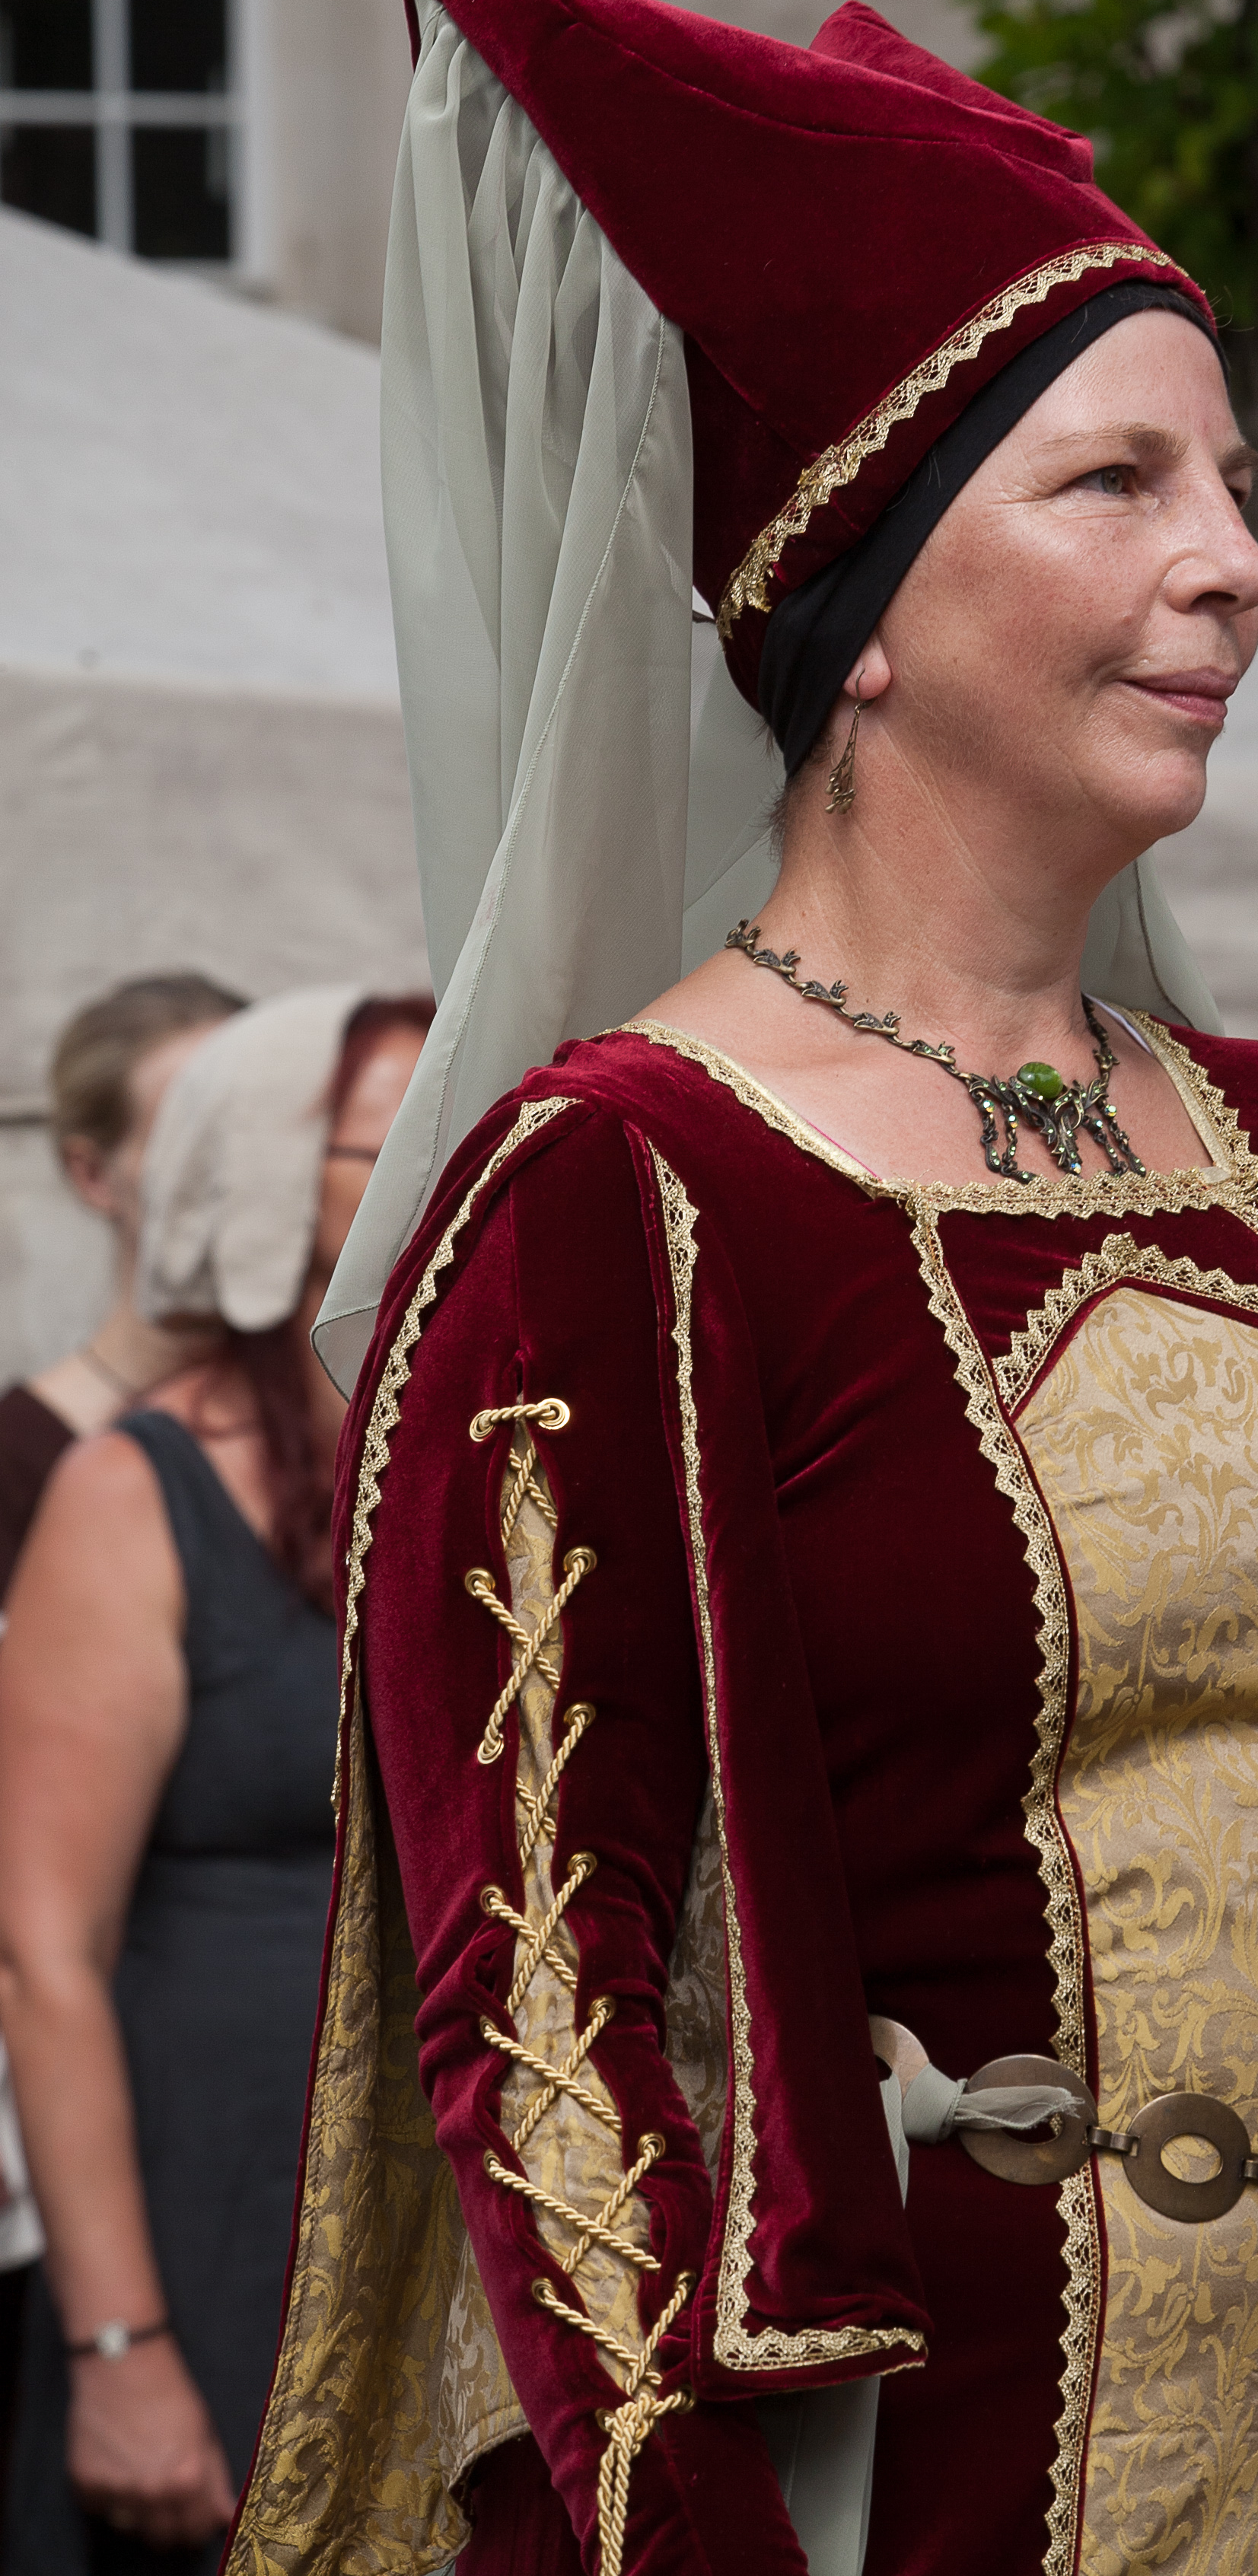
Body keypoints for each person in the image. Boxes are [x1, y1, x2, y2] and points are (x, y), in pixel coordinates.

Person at [226, 0, 1258, 2575]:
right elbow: (543, 2004)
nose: (1236, 564)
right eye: (1117, 483)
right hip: (933, 2482)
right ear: (866, 596)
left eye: (1233, 480)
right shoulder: (621, 1195)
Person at [0, 986, 430, 2574]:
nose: (429, 1162)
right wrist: (120, 2349)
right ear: (261, 1178)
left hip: (452, 2208)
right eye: (380, 1140)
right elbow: (44, 1954)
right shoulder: (134, 1491)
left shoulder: (498, 1462)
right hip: (219, 2199)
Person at [0, 973, 244, 1595]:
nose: (237, 1170)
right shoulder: (18, 1460)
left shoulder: (334, 1419)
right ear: (93, 1175)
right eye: (190, 1139)